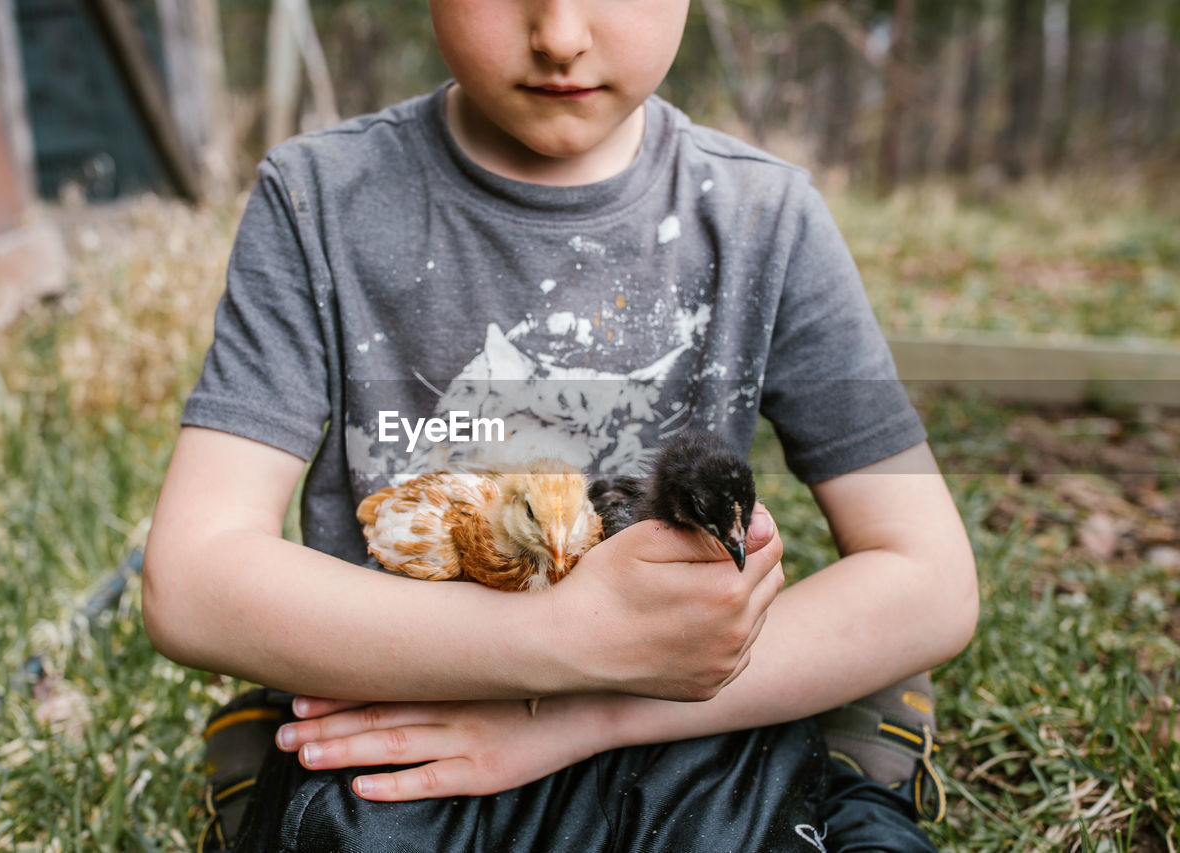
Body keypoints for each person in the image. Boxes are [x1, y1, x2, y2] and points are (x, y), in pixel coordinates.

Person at [142, 0, 978, 849]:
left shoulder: (767, 217)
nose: (561, 35)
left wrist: (587, 709)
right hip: (413, 707)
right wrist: (554, 642)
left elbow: (931, 579)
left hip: (672, 718)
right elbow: (190, 582)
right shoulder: (317, 200)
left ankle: (856, 782)